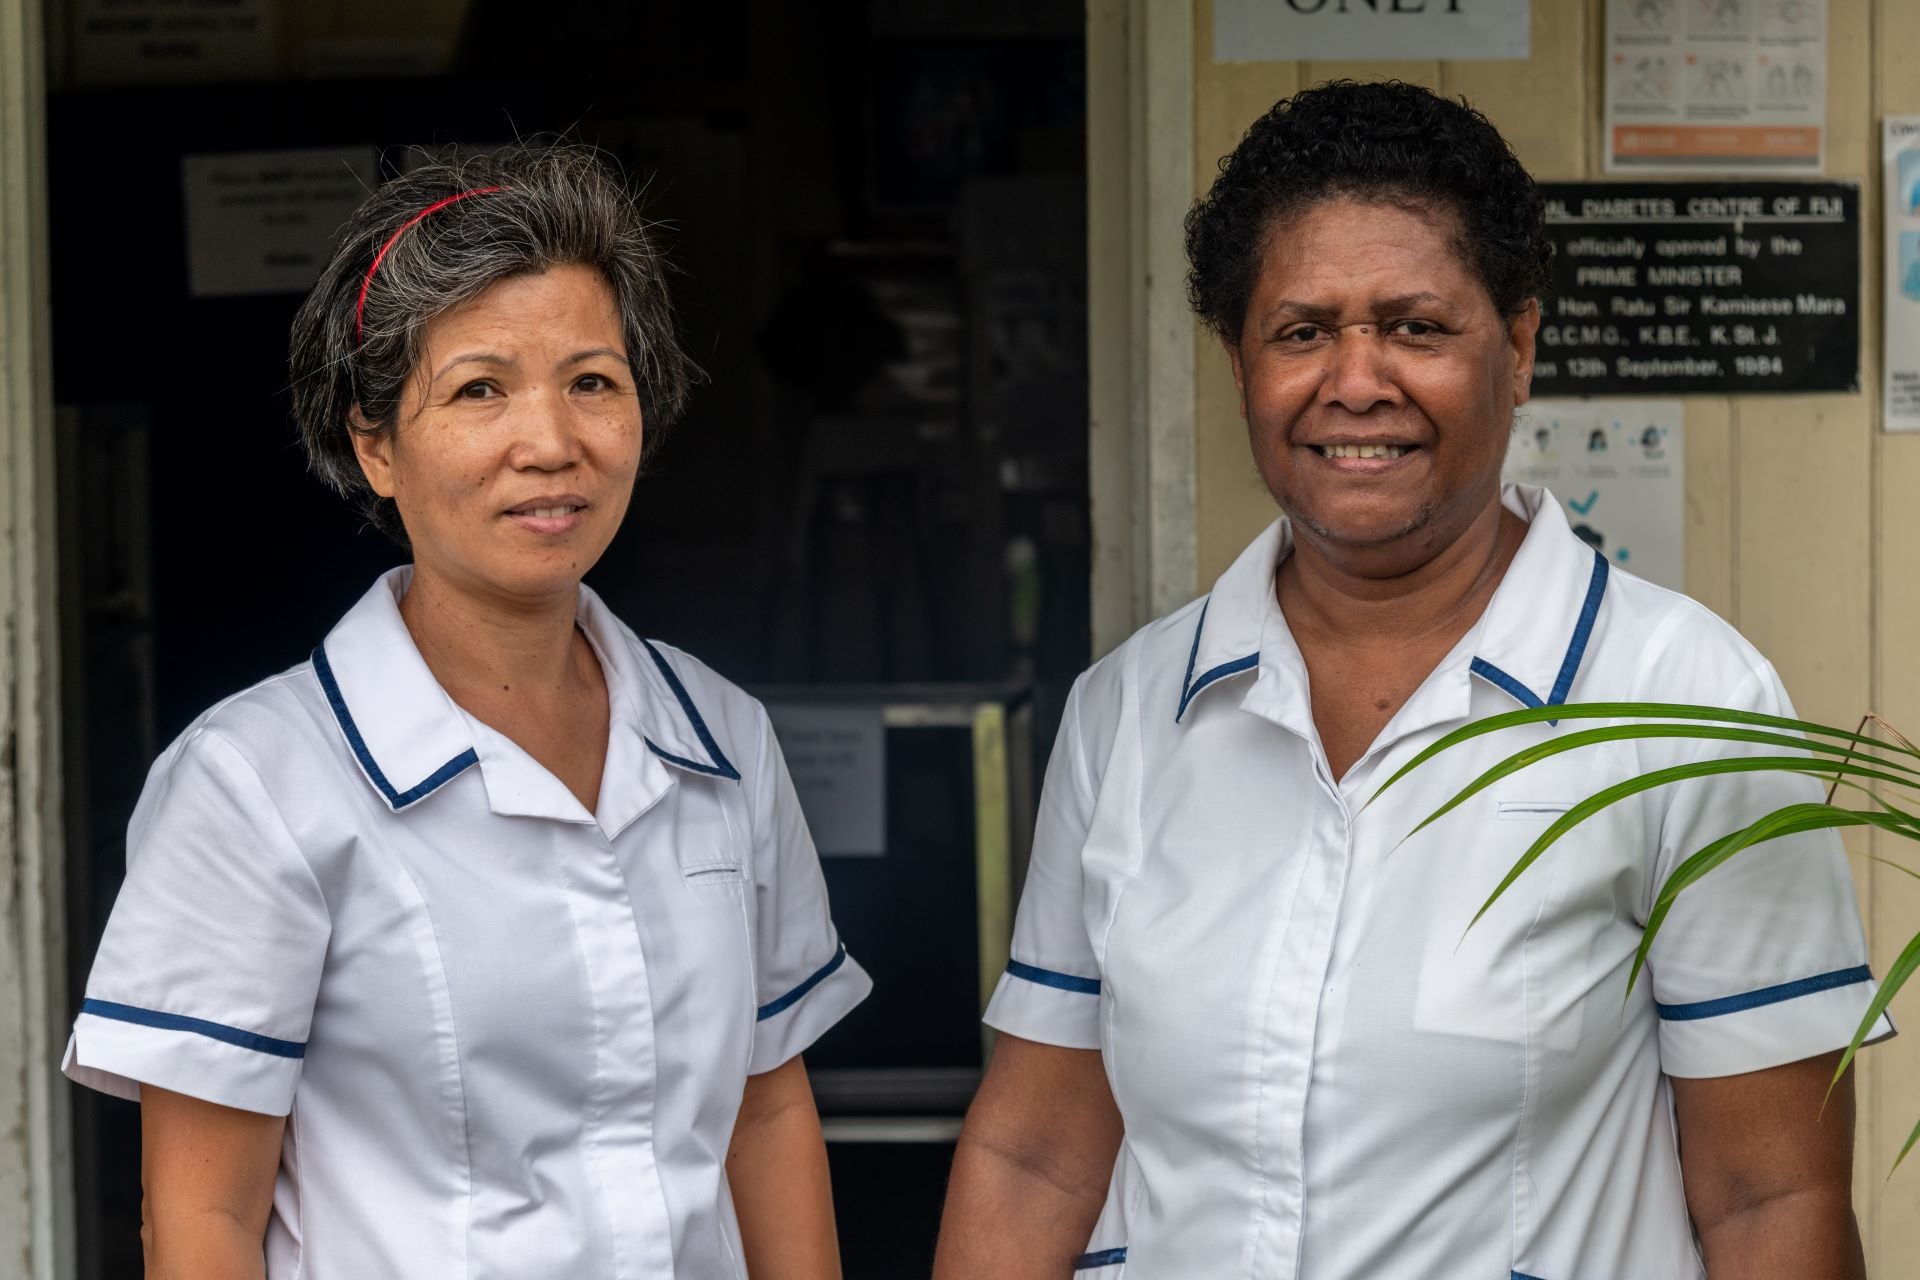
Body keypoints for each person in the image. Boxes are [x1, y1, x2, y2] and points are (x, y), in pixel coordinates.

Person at [934, 81, 1888, 1279]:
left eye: (1416, 327)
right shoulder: (1132, 709)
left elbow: (1771, 1196)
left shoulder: (1687, 701)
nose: (1355, 381)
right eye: (1300, 331)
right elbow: (1036, 1157)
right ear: (1238, 361)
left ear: (1519, 347)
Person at [63, 144, 871, 1279]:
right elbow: (203, 1222)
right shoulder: (256, 782)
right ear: (374, 445)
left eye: (592, 381)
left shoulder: (722, 737)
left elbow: (766, 1111)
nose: (551, 444)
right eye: (480, 388)